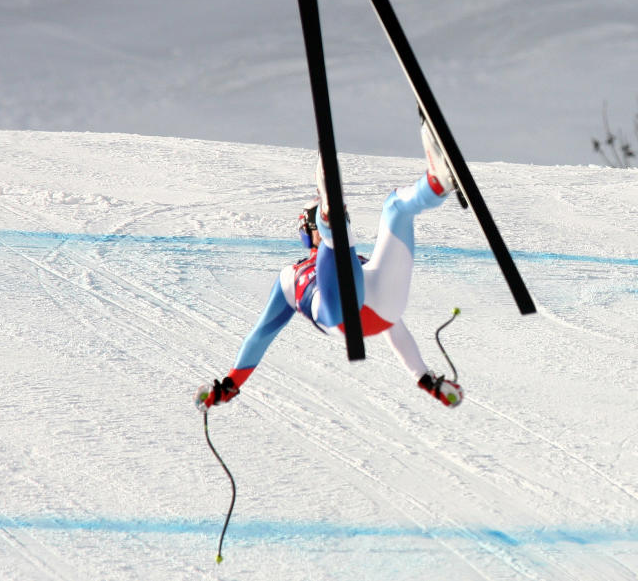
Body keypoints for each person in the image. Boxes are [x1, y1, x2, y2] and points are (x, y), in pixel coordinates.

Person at [196, 125, 464, 410]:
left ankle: (436, 184)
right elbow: (262, 333)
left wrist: (425, 378)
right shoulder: (290, 276)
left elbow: (396, 330)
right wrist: (230, 384)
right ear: (306, 229)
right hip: (337, 313)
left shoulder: (348, 260)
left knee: (395, 208)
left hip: (382, 308)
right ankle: (331, 217)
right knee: (336, 246)